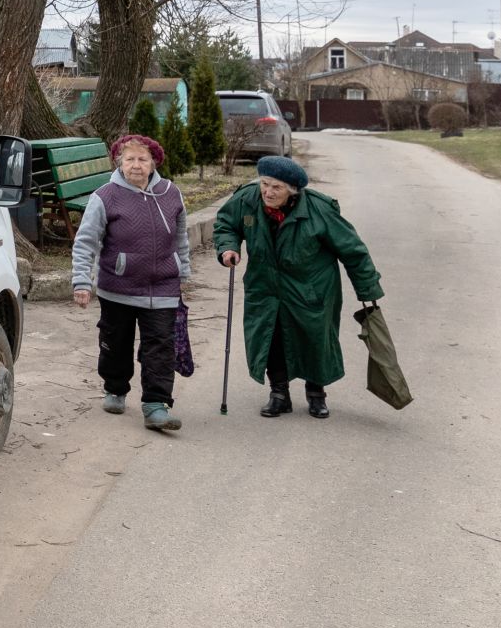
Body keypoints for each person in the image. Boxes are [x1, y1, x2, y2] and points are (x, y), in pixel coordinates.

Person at [214, 154, 382, 419]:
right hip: (264, 284)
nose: (267, 192)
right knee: (271, 337)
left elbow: (353, 250)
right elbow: (226, 224)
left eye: (276, 187)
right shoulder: (247, 199)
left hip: (311, 287)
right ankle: (278, 393)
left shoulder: (318, 209)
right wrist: (228, 248)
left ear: (292, 191)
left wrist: (368, 290)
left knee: (314, 337)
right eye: (265, 184)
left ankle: (316, 393)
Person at [70, 133, 190, 432]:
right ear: (119, 163)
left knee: (161, 345)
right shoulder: (105, 196)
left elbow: (182, 238)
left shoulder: (171, 193)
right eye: (130, 159)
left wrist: (183, 273)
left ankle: (156, 405)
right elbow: (85, 242)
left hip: (163, 286)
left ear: (154, 163)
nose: (136, 165)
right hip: (118, 287)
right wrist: (82, 282)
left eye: (142, 159)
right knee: (116, 343)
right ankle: (115, 388)